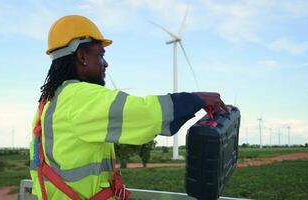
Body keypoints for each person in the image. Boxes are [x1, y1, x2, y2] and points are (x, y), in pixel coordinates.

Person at [29, 15, 228, 200]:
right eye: (101, 54)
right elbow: (145, 114)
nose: (105, 64)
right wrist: (196, 99)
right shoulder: (79, 98)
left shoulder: (50, 101)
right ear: (81, 56)